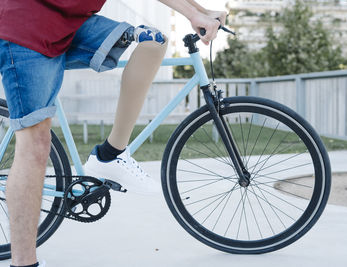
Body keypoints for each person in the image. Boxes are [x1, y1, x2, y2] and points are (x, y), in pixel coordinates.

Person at [0, 0, 227, 266]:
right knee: (36, 144)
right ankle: (24, 263)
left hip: (71, 22)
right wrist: (194, 14)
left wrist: (201, 11)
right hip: (25, 25)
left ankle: (111, 154)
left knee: (153, 41)